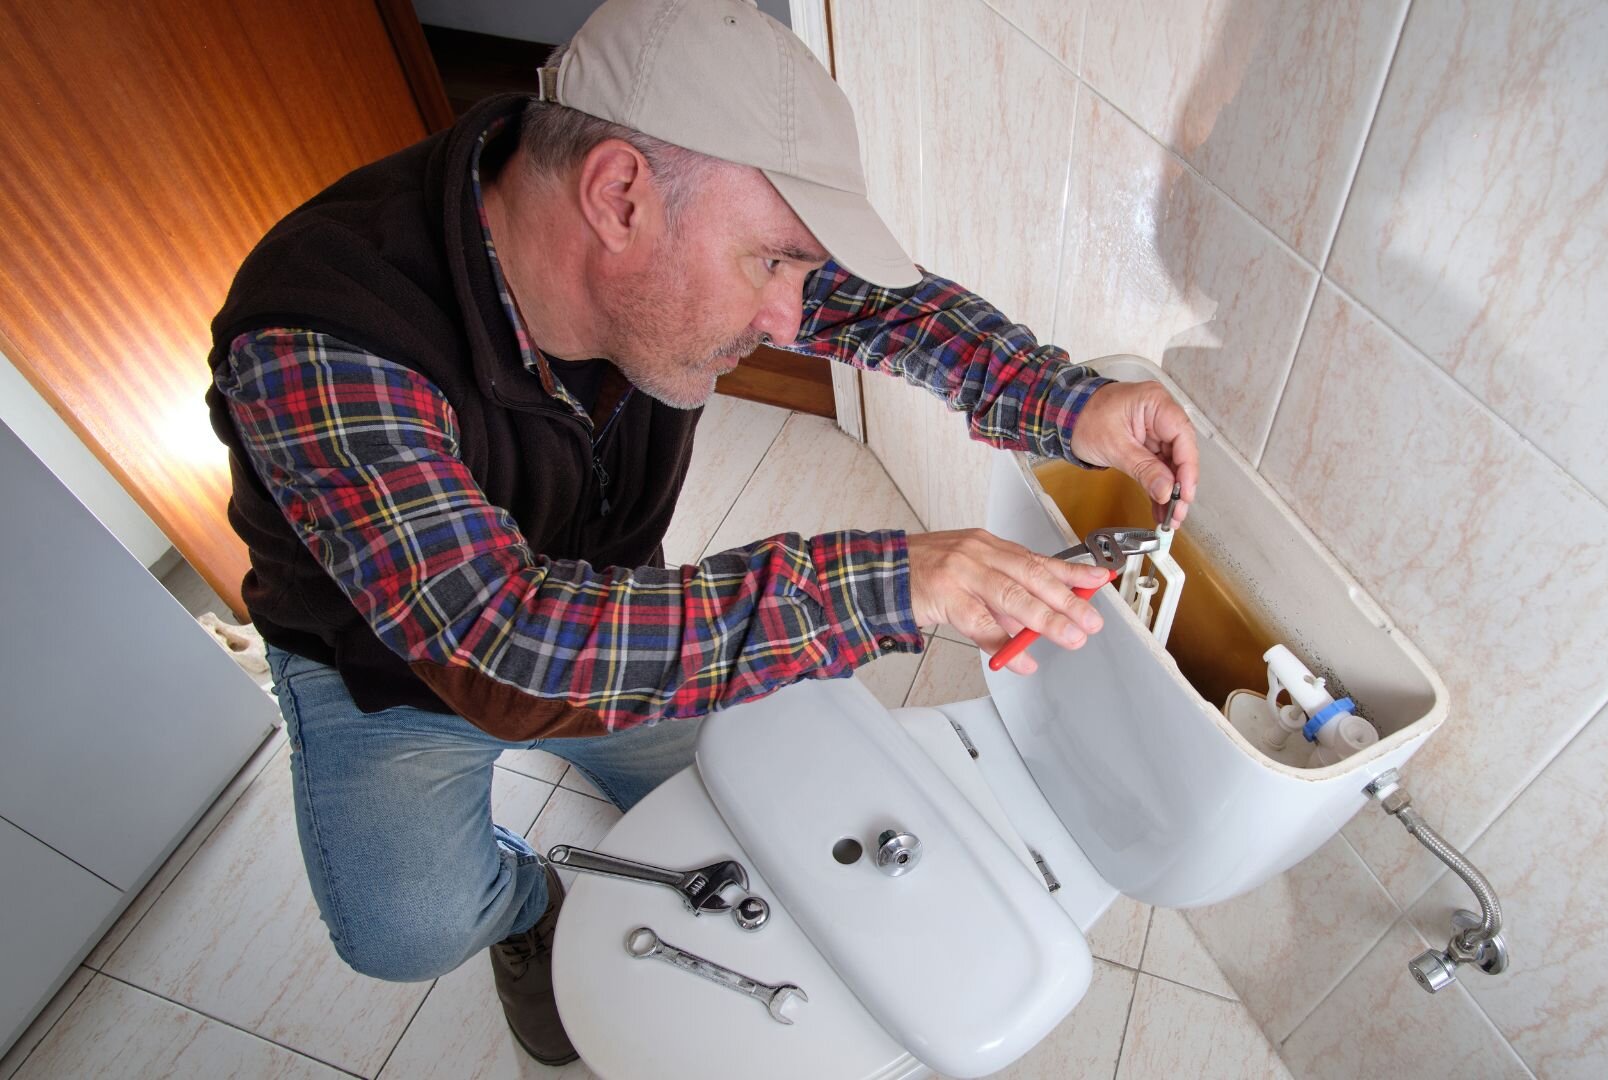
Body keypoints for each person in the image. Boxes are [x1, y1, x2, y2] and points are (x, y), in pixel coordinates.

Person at [205, 0, 1198, 1066]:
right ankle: (523, 904)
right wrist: (890, 581)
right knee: (407, 933)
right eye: (770, 263)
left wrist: (1066, 403)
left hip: (606, 605)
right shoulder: (321, 338)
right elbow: (503, 636)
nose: (788, 319)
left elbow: (886, 310)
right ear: (619, 196)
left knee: (764, 792)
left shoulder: (673, 231)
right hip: (385, 677)